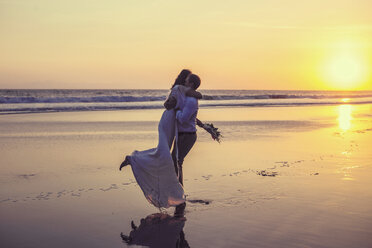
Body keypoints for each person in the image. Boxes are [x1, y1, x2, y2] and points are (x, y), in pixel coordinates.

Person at [119, 69, 202, 209]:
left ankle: (175, 191)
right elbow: (170, 104)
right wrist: (173, 105)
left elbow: (192, 102)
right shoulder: (179, 89)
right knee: (164, 154)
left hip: (172, 123)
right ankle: (135, 159)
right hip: (169, 122)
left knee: (168, 156)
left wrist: (202, 124)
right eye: (187, 78)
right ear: (185, 79)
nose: (187, 81)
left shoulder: (183, 92)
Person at [165, 74, 201, 217]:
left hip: (187, 135)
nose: (184, 83)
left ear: (191, 84)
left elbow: (184, 118)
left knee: (176, 161)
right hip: (182, 135)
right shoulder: (188, 98)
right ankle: (180, 192)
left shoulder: (191, 101)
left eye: (186, 82)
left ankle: (180, 194)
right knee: (176, 162)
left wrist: (176, 111)